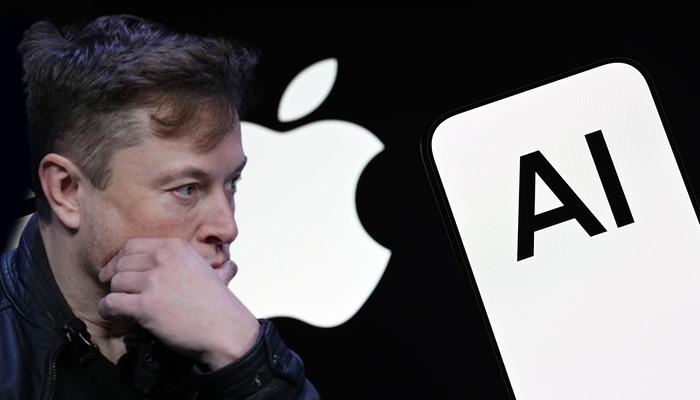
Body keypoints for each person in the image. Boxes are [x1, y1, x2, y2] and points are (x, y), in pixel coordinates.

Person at [0, 14, 320, 400]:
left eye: (232, 183)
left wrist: (243, 357)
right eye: (186, 189)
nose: (228, 227)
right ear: (66, 190)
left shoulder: (220, 335)